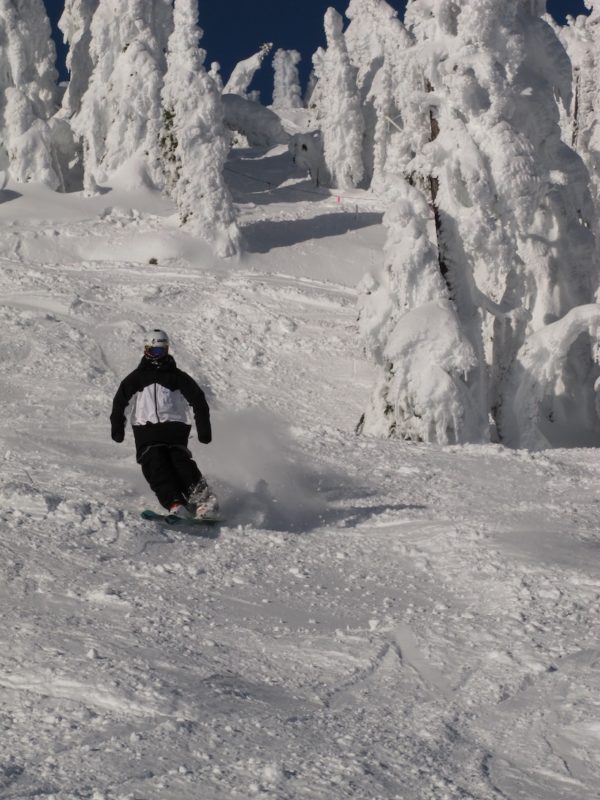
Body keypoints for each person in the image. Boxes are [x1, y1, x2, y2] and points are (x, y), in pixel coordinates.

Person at [110, 329, 218, 519]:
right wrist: (117, 428)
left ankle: (204, 502)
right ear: (146, 351)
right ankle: (175, 503)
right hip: (146, 430)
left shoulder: (177, 377)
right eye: (154, 352)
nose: (158, 356)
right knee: (155, 462)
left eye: (162, 351)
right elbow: (120, 403)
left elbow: (198, 401)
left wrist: (204, 431)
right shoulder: (136, 378)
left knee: (180, 462)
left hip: (174, 429)